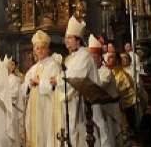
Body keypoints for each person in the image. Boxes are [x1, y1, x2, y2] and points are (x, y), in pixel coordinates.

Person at [51, 16, 99, 147]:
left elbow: (76, 77)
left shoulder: (84, 55)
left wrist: (58, 80)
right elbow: (65, 73)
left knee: (79, 135)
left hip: (82, 104)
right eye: (66, 38)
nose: (66, 41)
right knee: (69, 133)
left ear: (78, 40)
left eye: (69, 38)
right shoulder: (71, 57)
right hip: (70, 102)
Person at [23, 30, 61, 147]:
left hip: (46, 106)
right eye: (37, 48)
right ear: (34, 50)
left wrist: (40, 82)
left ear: (48, 49)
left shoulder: (53, 65)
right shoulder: (32, 69)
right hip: (33, 107)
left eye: (43, 48)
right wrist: (29, 85)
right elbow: (24, 89)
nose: (40, 51)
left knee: (45, 134)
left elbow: (54, 87)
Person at [88, 35, 119, 147]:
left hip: (107, 110)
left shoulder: (106, 72)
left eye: (94, 57)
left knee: (106, 136)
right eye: (89, 58)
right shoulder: (92, 71)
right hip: (95, 109)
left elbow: (98, 87)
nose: (91, 60)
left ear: (100, 58)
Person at [5, 57, 23, 147]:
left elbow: (14, 94)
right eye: (9, 63)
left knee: (13, 132)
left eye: (12, 64)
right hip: (4, 108)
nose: (10, 66)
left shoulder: (14, 79)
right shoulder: (5, 78)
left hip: (11, 108)